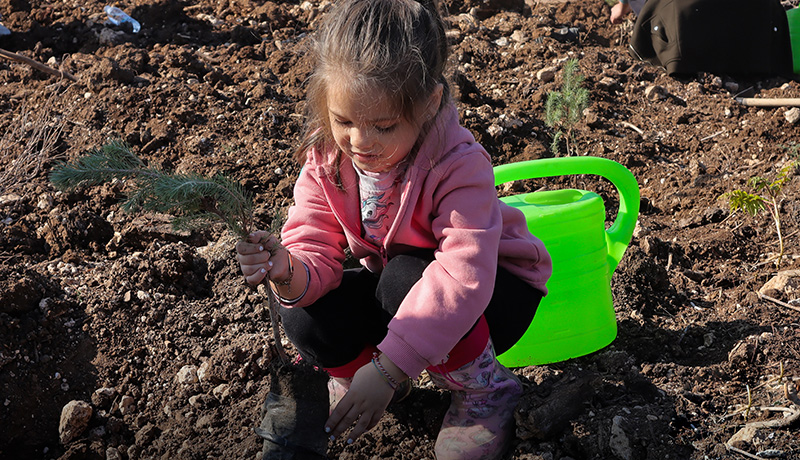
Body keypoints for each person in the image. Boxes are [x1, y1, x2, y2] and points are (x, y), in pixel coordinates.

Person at [235, 0, 552, 458]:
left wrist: (387, 370)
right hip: (403, 292)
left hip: (493, 296)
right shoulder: (328, 159)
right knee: (305, 314)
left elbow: (463, 278)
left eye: (383, 126)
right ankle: (367, 382)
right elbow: (315, 245)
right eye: (343, 121)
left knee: (404, 277)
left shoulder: (459, 165)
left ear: (428, 105)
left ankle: (484, 390)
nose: (360, 142)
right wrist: (287, 268)